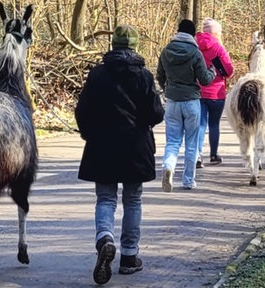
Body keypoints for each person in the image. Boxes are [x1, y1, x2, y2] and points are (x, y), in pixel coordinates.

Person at [76, 24, 164, 284]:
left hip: (102, 145)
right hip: (135, 146)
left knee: (105, 198)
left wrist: (87, 132)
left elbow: (82, 110)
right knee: (133, 199)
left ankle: (105, 238)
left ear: (113, 45)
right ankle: (128, 257)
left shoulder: (97, 75)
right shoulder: (144, 76)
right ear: (135, 46)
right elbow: (156, 114)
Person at [157, 19, 215, 191]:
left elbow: (160, 75)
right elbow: (204, 79)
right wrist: (212, 71)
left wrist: (167, 88)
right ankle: (188, 181)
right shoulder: (195, 53)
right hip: (191, 101)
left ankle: (169, 166)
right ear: (192, 34)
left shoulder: (166, 51)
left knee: (173, 141)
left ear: (178, 31)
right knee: (191, 143)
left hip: (173, 102)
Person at [194, 18, 235, 168]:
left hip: (198, 92)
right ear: (215, 32)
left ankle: (198, 155)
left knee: (200, 124)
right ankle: (213, 155)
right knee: (213, 124)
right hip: (216, 93)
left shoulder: (194, 45)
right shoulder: (218, 48)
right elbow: (228, 71)